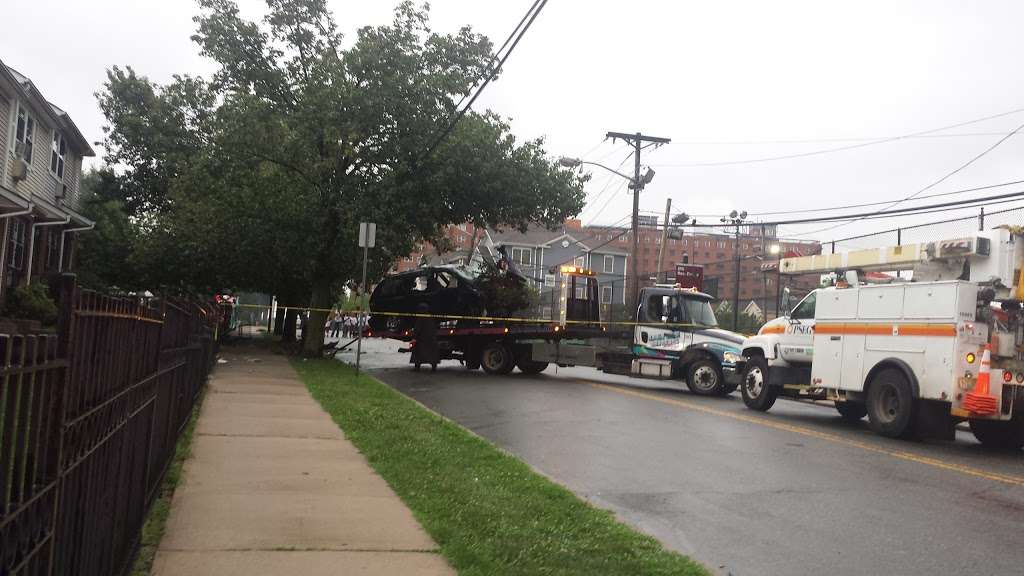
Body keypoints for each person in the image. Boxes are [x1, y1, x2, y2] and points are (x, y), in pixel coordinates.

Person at [410, 303, 439, 372]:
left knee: (418, 353)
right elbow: (435, 327)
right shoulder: (431, 317)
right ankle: (433, 368)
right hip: (431, 339)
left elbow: (417, 328)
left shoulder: (421, 318)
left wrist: (414, 337)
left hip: (422, 339)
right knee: (432, 354)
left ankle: (417, 367)